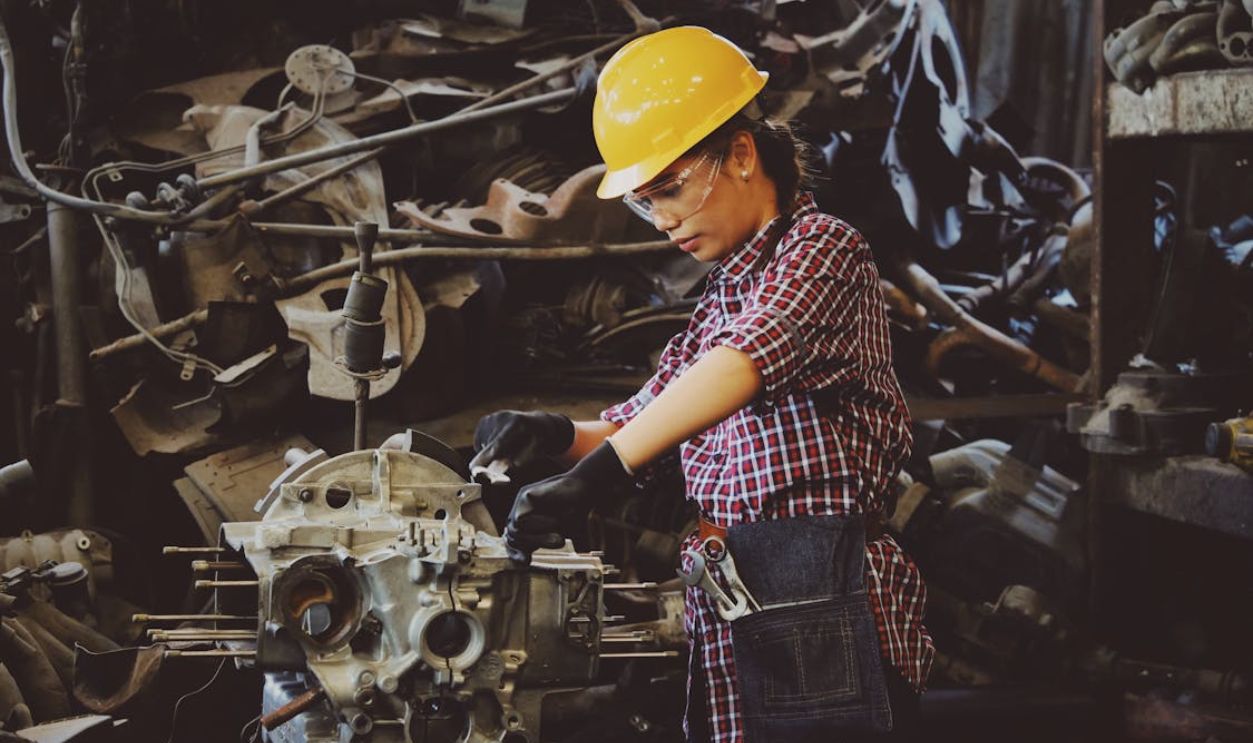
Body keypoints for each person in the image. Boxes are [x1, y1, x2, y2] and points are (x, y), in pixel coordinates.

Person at [470, 26, 933, 742]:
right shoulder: (720, 297)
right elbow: (647, 420)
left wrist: (594, 478)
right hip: (741, 595)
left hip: (820, 598)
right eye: (645, 202)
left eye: (671, 188)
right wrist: (551, 434)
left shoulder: (824, 252)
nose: (662, 220)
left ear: (741, 154)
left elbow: (740, 365)